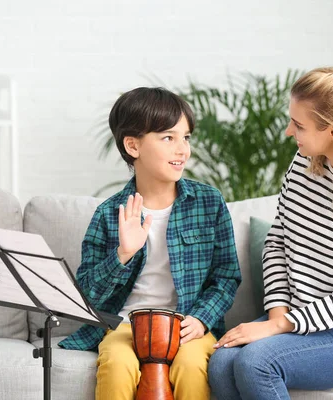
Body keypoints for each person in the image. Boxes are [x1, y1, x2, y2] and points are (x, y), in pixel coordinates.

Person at [207, 67, 333, 400]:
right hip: (296, 317)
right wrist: (277, 313)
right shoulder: (304, 164)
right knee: (221, 362)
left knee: (255, 362)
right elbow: (277, 242)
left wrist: (277, 328)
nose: (289, 132)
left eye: (299, 125)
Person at [58, 87, 242, 400]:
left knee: (193, 366)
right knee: (116, 367)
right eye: (168, 138)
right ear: (133, 145)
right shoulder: (109, 214)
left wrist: (200, 319)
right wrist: (123, 254)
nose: (182, 149)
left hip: (187, 323)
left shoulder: (209, 203)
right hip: (125, 325)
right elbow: (86, 295)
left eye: (186, 137)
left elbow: (226, 278)